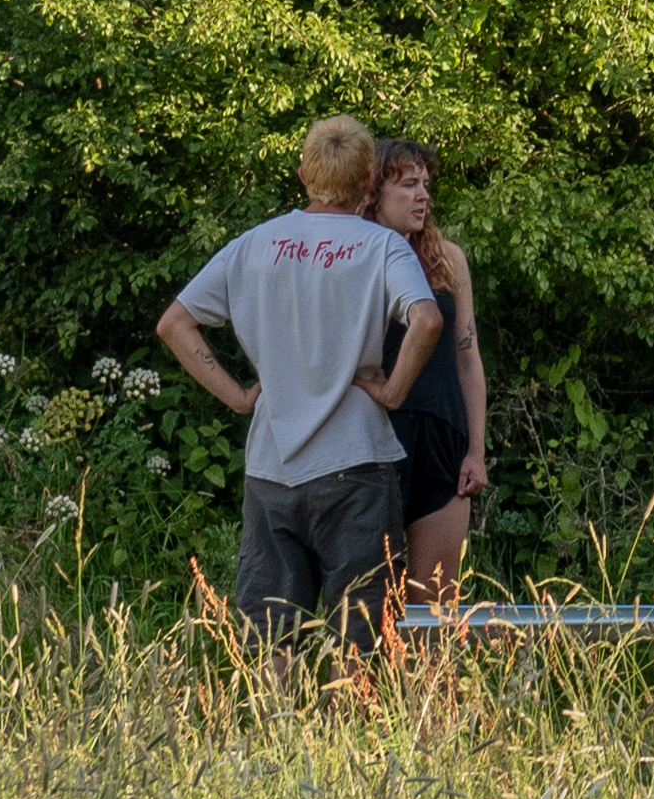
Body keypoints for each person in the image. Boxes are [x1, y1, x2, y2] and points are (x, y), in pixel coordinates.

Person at [155, 115, 441, 649]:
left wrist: (239, 397)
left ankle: (276, 730)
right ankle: (347, 726)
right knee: (357, 630)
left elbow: (174, 323)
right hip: (356, 463)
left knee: (270, 633)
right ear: (365, 183)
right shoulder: (381, 247)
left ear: (304, 175)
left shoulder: (254, 246)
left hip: (271, 467)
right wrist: (392, 392)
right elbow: (426, 319)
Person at [370, 137, 489, 596]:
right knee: (371, 602)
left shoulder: (448, 259)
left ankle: (433, 673)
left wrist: (475, 450)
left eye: (426, 184)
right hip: (377, 436)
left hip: (443, 436)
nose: (423, 196)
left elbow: (467, 358)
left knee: (434, 603)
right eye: (408, 185)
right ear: (374, 191)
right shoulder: (354, 256)